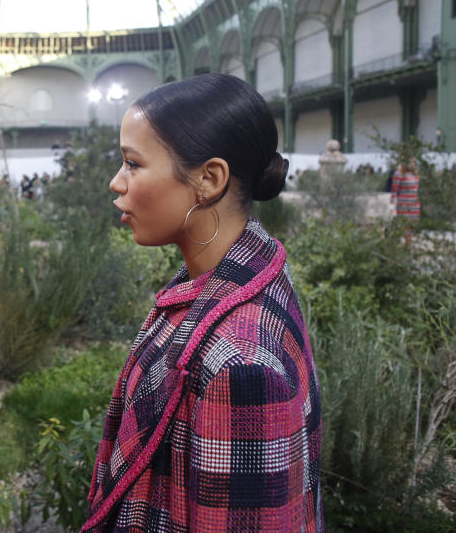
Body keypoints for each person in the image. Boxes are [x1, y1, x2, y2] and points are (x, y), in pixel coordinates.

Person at [83, 74, 322, 533]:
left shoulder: (242, 366)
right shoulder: (226, 281)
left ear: (208, 179)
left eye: (133, 164)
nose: (116, 183)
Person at [390, 157, 420, 240]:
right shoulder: (399, 174)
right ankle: (402, 242)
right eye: (410, 162)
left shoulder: (415, 175)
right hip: (404, 204)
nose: (412, 164)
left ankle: (408, 243)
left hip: (414, 204)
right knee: (403, 224)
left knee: (412, 225)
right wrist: (392, 204)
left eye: (413, 162)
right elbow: (394, 190)